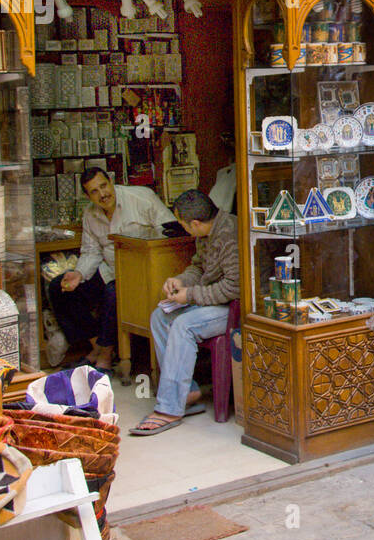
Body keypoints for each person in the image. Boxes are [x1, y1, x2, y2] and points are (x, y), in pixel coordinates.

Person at [129, 189, 239, 436]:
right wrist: (180, 281)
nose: (185, 229)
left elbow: (234, 288)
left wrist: (189, 296)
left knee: (183, 325)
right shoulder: (206, 233)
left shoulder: (229, 235)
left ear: (196, 223)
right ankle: (186, 390)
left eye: (184, 225)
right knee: (160, 317)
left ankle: (169, 409)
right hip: (212, 300)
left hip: (233, 308)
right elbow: (199, 267)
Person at [48, 167, 175, 372]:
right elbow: (91, 251)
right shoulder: (90, 214)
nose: (102, 194)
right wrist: (78, 274)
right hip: (109, 268)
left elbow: (171, 232)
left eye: (104, 186)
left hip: (142, 271)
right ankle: (97, 344)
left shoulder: (141, 198)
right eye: (94, 192)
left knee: (113, 293)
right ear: (88, 196)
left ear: (111, 181)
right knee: (58, 288)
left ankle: (105, 354)